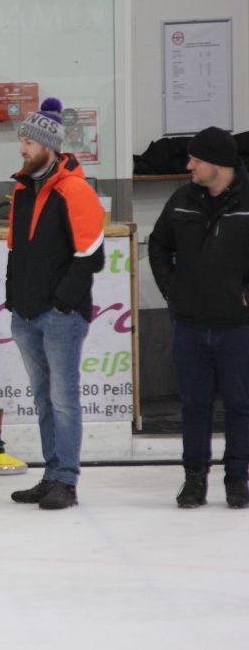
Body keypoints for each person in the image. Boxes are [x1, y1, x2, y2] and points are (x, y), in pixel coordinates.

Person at [5, 98, 104, 510]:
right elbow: (17, 251)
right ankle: (51, 474)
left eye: (28, 142)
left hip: (60, 316)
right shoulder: (22, 189)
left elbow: (92, 255)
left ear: (49, 145)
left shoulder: (75, 189)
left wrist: (62, 303)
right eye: (22, 141)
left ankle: (66, 479)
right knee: (44, 398)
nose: (23, 149)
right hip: (26, 314)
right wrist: (14, 301)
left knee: (63, 399)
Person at [148, 126, 249, 509]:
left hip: (237, 327)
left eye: (196, 160)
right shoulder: (182, 200)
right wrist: (170, 288)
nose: (188, 165)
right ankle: (194, 479)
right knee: (193, 404)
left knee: (240, 404)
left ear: (219, 165)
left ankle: (237, 479)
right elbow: (158, 244)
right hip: (189, 323)